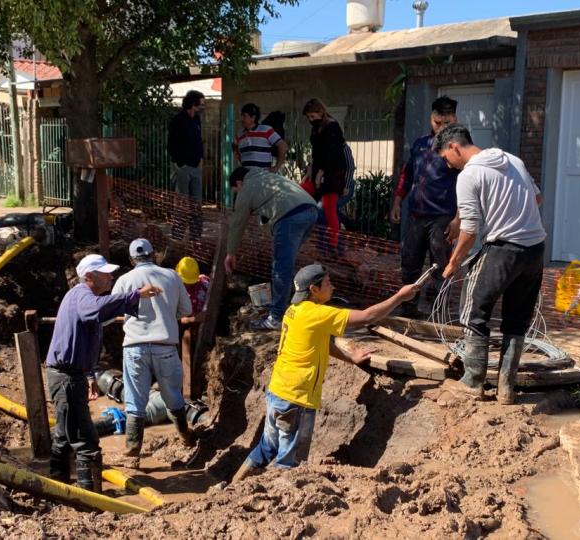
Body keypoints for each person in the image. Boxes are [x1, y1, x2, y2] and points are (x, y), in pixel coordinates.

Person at [232, 264, 418, 482]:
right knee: (290, 465)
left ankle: (233, 486)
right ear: (314, 289)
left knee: (267, 447)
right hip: (296, 399)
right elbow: (367, 316)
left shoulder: (295, 311)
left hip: (278, 392)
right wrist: (399, 297)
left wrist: (351, 357)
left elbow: (323, 343)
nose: (333, 287)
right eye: (328, 283)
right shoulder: (317, 314)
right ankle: (281, 505)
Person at [434, 124, 545, 404]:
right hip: (535, 250)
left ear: (454, 147)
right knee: (517, 318)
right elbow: (537, 198)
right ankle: (506, 388)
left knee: (474, 311)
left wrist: (453, 263)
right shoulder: (513, 160)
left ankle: (472, 382)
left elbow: (470, 231)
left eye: (446, 159)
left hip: (503, 249)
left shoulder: (469, 174)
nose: (448, 165)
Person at [45, 254, 160, 492]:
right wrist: (135, 295)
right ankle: (92, 498)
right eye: (105, 273)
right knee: (85, 439)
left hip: (71, 374)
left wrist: (89, 376)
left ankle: (58, 486)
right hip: (66, 377)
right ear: (89, 276)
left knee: (65, 435)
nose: (110, 277)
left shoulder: (82, 297)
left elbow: (83, 341)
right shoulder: (83, 296)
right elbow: (97, 311)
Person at [112, 238, 195, 467]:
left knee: (135, 403)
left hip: (134, 347)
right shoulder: (171, 276)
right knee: (174, 398)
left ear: (131, 259)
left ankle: (132, 453)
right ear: (154, 254)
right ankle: (186, 438)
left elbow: (112, 310)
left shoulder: (124, 280)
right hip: (166, 346)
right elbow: (186, 310)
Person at [390, 96, 461, 317]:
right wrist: (397, 201)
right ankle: (409, 309)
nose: (440, 128)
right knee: (410, 263)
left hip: (442, 217)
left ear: (455, 120)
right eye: (437, 123)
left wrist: (458, 219)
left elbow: (468, 185)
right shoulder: (420, 144)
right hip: (416, 215)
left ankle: (440, 314)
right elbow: (407, 174)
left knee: (441, 267)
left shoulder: (458, 149)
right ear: (431, 118)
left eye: (446, 123)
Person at [224, 166, 318, 330]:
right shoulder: (267, 177)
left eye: (235, 191)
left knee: (281, 268)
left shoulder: (246, 188)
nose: (237, 194)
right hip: (310, 211)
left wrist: (231, 252)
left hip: (291, 216)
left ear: (238, 183)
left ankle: (276, 317)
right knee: (285, 265)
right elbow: (268, 218)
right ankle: (287, 306)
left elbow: (238, 223)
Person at [301, 98, 355, 255]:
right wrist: (310, 172)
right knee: (303, 195)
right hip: (320, 174)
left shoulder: (335, 136)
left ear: (320, 113)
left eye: (313, 117)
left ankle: (333, 245)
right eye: (309, 118)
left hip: (334, 179)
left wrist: (322, 174)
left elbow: (343, 163)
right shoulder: (317, 130)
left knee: (326, 210)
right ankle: (325, 243)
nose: (311, 121)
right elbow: (316, 155)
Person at [168, 90, 205, 242]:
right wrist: (179, 163)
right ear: (193, 103)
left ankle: (196, 237)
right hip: (182, 167)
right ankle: (177, 237)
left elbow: (199, 140)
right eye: (201, 103)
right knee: (182, 204)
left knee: (197, 203)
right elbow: (171, 145)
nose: (203, 106)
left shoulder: (196, 119)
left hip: (196, 167)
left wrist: (201, 159)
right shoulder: (178, 120)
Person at [233, 103, 288, 172]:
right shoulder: (239, 134)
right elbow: (234, 145)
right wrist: (241, 159)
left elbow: (282, 145)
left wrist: (276, 167)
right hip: (247, 175)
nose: (242, 119)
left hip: (263, 176)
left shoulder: (266, 130)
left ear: (253, 118)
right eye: (241, 116)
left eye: (244, 116)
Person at [176, 256, 211, 364]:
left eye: (191, 282)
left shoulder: (205, 282)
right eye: (186, 282)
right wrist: (194, 319)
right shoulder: (176, 292)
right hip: (189, 333)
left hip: (207, 332)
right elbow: (178, 320)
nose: (189, 285)